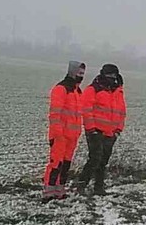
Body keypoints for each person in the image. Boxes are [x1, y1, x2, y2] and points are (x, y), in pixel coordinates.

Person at [77, 63, 126, 195]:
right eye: (109, 75)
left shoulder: (118, 91)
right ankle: (81, 185)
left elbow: (122, 111)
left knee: (103, 161)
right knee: (95, 159)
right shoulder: (93, 89)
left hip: (111, 133)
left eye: (114, 75)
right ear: (103, 74)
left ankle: (98, 187)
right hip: (95, 131)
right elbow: (86, 110)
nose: (112, 77)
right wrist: (91, 128)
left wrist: (118, 130)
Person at [44, 61, 85, 201]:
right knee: (56, 163)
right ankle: (49, 192)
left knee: (66, 164)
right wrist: (57, 133)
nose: (81, 76)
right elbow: (55, 114)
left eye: (83, 74)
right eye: (79, 73)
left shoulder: (78, 92)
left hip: (72, 136)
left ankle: (60, 190)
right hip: (60, 135)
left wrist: (78, 132)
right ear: (72, 72)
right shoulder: (61, 89)